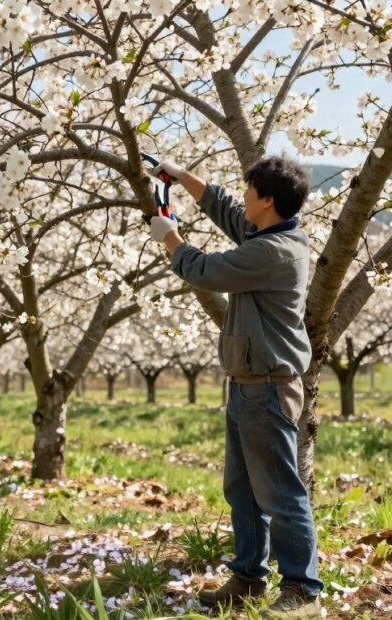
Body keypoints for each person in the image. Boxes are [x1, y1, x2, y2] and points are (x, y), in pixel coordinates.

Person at [147, 155, 323, 619]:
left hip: (267, 388)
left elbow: (205, 270)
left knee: (281, 494)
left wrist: (171, 239)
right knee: (242, 491)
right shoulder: (266, 233)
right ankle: (247, 578)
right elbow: (224, 207)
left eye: (250, 189)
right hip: (248, 384)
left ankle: (302, 592)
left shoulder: (276, 252)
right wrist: (178, 175)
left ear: (267, 200)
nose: (242, 194)